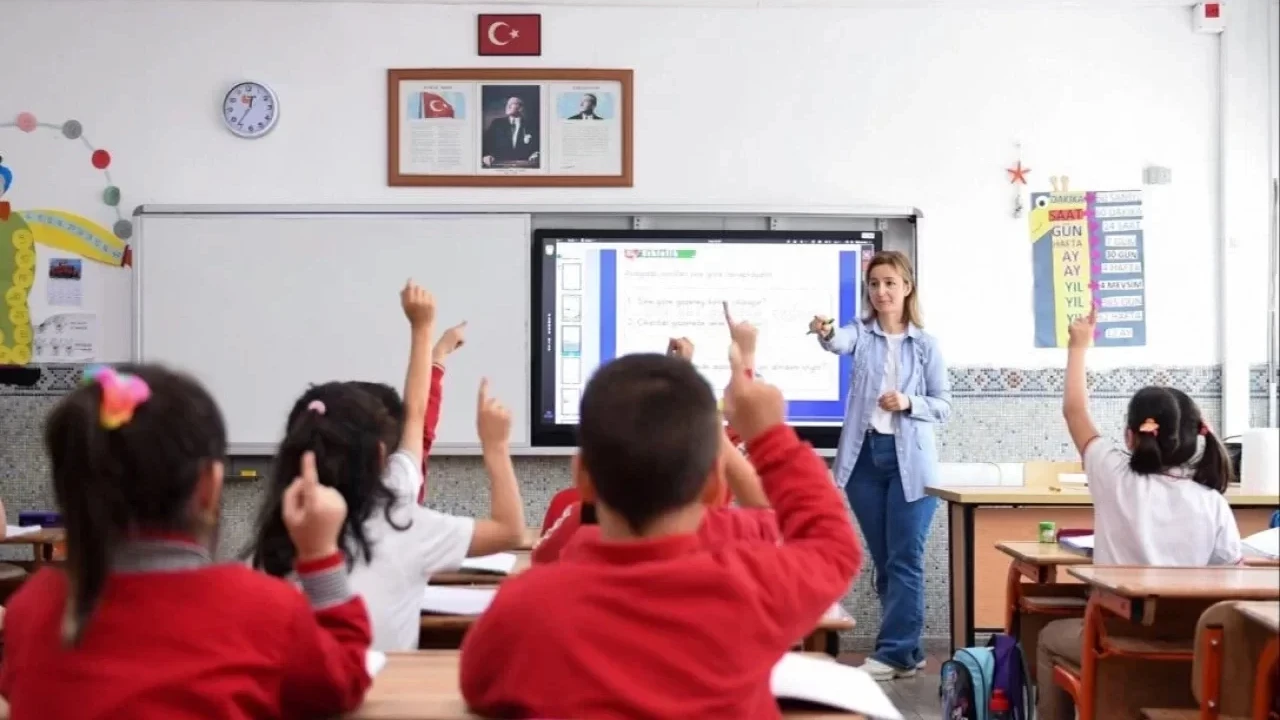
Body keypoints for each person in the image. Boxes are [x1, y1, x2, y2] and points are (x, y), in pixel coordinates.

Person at [459, 344, 861, 719]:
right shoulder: (754, 589)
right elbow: (834, 547)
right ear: (715, 485)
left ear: (582, 480)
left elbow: (479, 688)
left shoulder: (523, 610)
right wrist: (770, 436)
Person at [0, 364, 372, 718]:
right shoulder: (265, 611)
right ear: (209, 486)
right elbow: (344, 681)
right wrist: (319, 554)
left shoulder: (28, 611)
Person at [248, 281, 526, 652]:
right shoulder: (402, 520)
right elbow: (510, 531)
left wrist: (431, 342)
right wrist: (496, 446)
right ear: (381, 456)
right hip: (383, 684)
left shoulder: (268, 544)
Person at [1035, 308, 1243, 720]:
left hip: (1112, 637)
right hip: (1193, 647)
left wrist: (1079, 346)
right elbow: (1230, 580)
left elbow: (1075, 411)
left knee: (1047, 636)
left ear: (1131, 437)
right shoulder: (1213, 502)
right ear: (1194, 437)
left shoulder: (1114, 476)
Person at [809, 249, 950, 680]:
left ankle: (895, 653)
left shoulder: (926, 345)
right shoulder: (861, 333)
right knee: (885, 559)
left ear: (907, 287)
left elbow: (944, 405)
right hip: (865, 461)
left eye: (889, 283)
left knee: (904, 559)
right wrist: (825, 330)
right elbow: (837, 341)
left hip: (912, 464)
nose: (881, 291)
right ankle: (908, 652)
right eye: (874, 284)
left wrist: (908, 402)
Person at [352, 320, 467, 504]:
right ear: (380, 451)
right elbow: (418, 420)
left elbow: (419, 421)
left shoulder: (317, 500)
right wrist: (438, 349)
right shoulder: (400, 488)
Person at [481, 96, 540, 167]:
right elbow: (486, 142)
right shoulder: (497, 123)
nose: (507, 106)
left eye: (512, 103)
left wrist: (536, 153)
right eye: (507, 104)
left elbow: (538, 145)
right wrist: (486, 155)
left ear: (520, 108)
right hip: (499, 164)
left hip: (524, 165)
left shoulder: (531, 125)